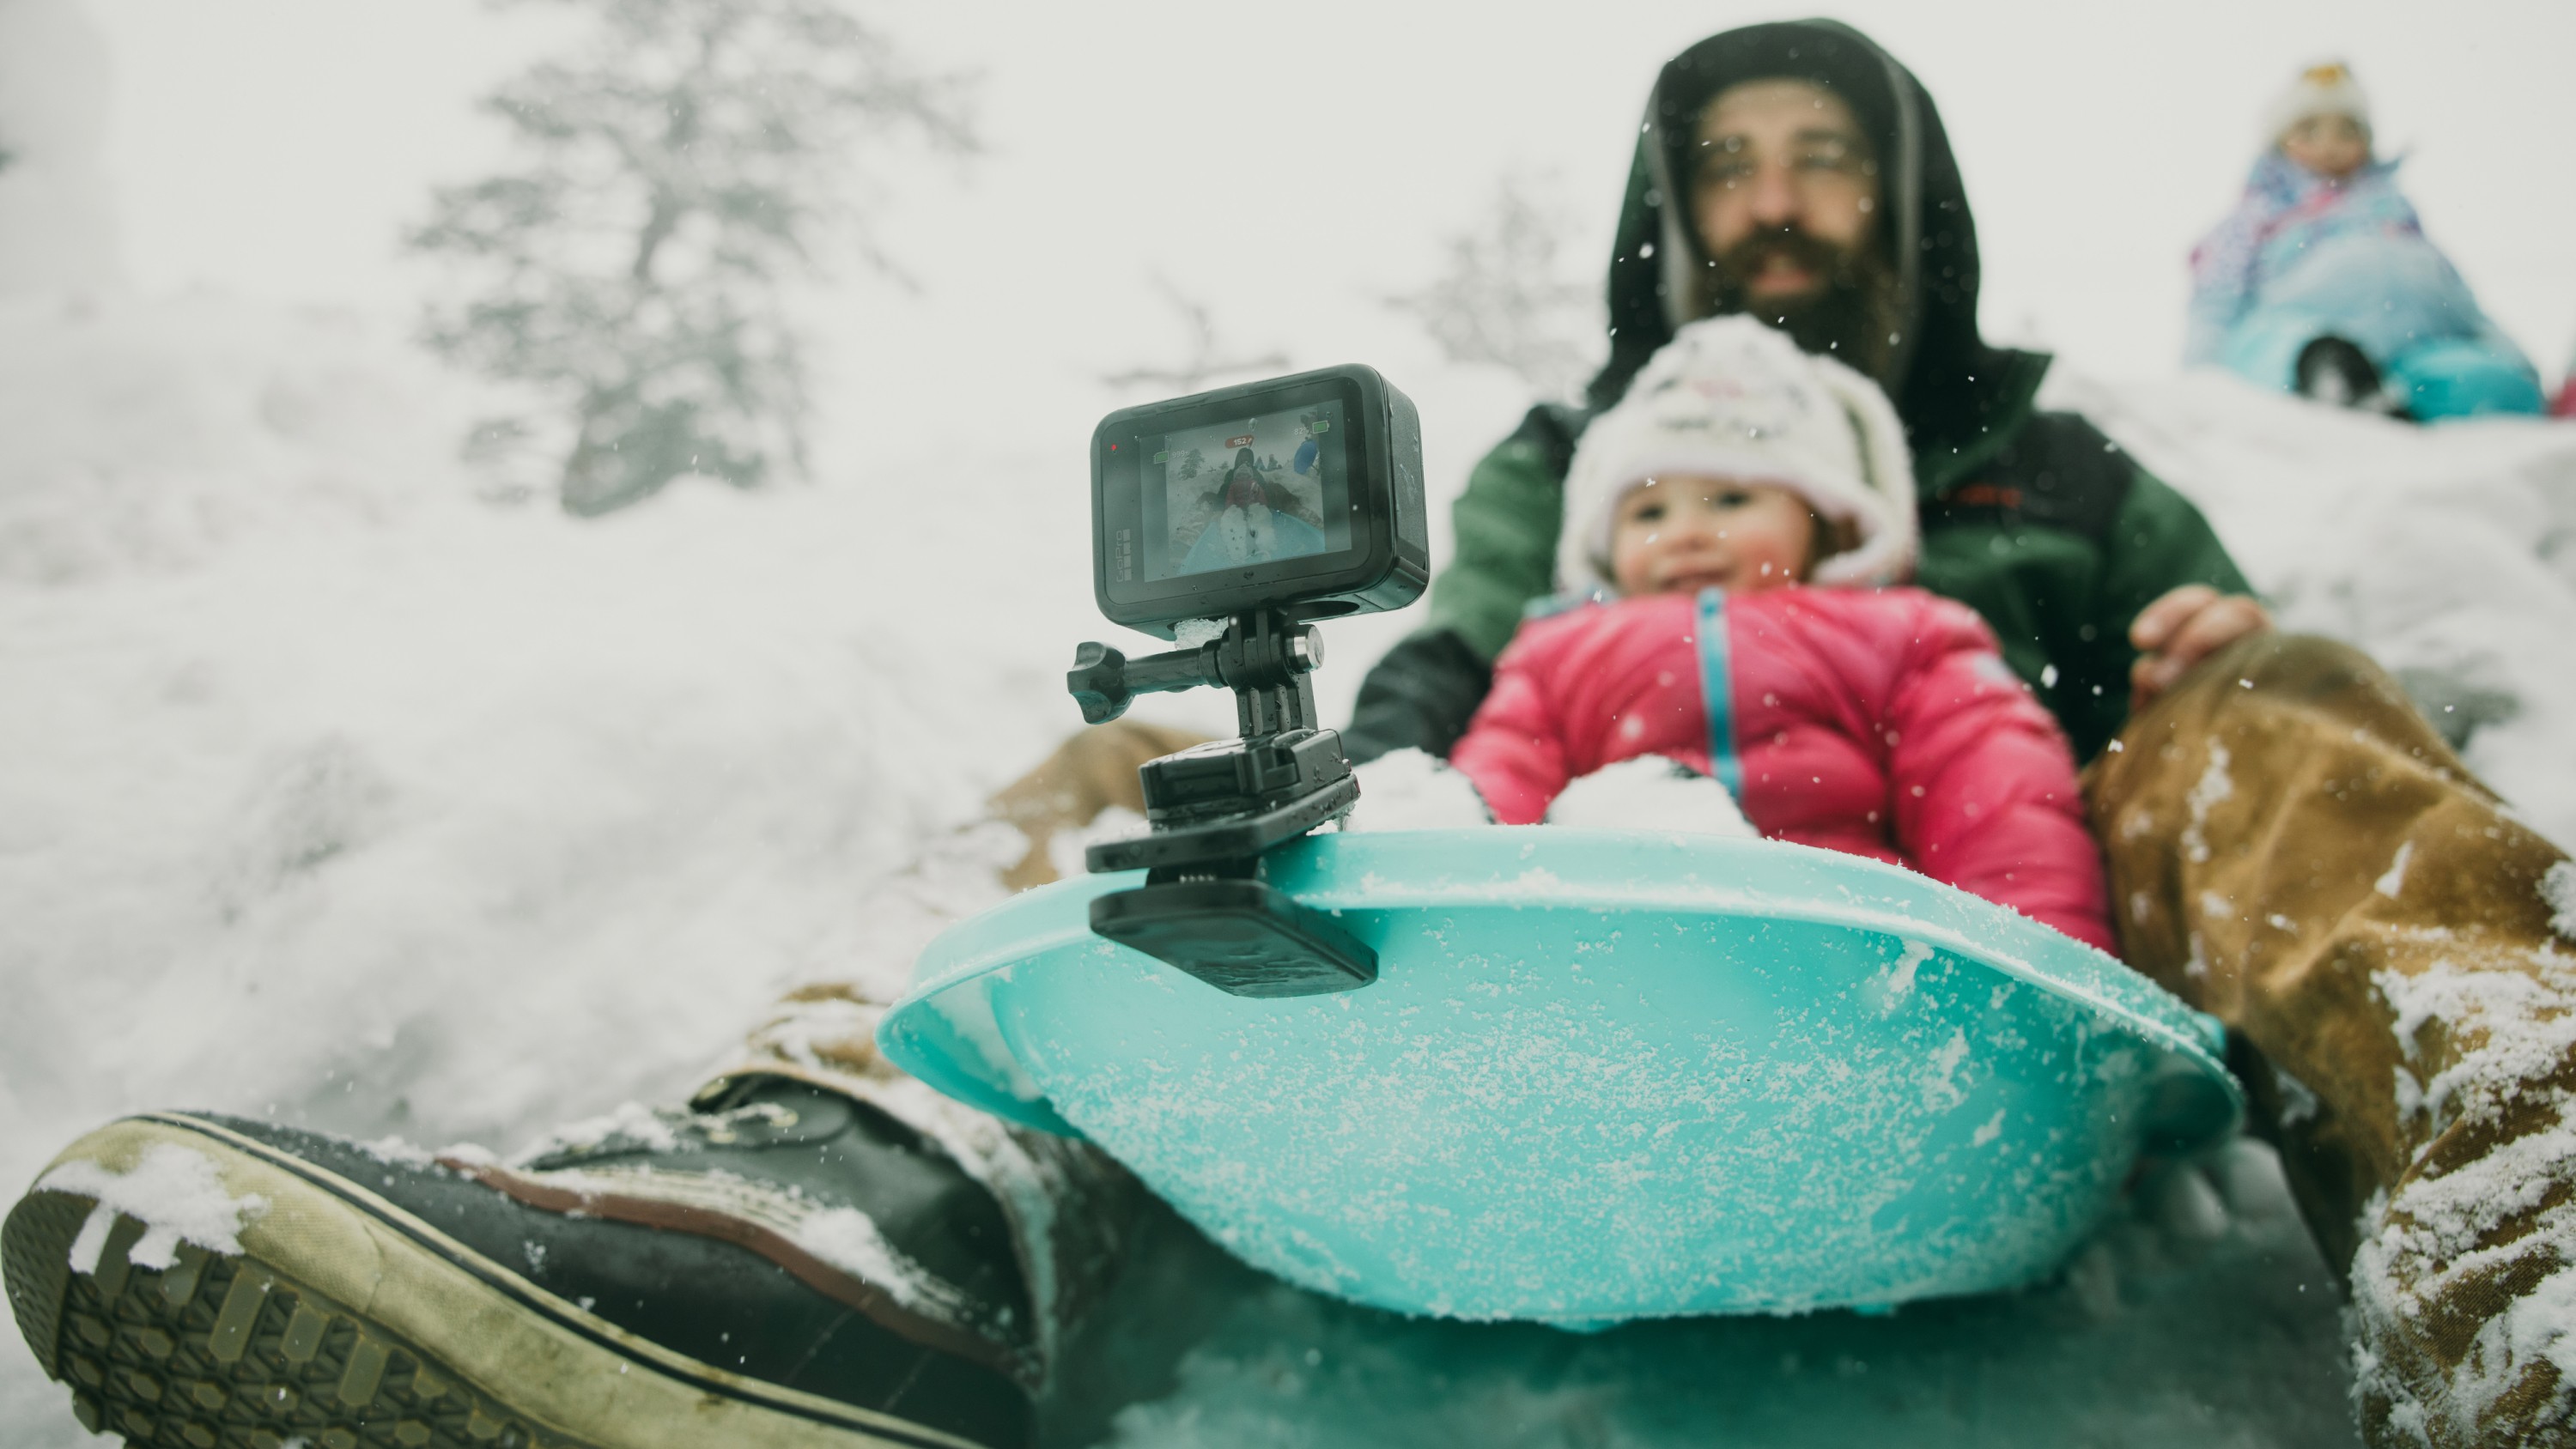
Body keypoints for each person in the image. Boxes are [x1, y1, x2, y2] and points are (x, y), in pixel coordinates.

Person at [9, 21, 2573, 1449]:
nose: (1782, 201)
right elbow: (1434, 674)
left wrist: (2184, 661)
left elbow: (2188, 678)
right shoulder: (1567, 471)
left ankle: (2513, 1177)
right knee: (1174, 806)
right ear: (1664, 218)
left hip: (2012, 895)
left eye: (1830, 162)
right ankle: (850, 1205)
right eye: (1733, 167)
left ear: (1907, 207)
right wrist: (1372, 782)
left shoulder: (2052, 458)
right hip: (1610, 861)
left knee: (2289, 704)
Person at [1444, 315, 2115, 954]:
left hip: (1852, 963)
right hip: (1622, 962)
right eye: (1648, 510)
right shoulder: (1558, 655)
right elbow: (1499, 796)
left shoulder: (1902, 637)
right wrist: (1456, 932)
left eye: (1731, 500)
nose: (1686, 532)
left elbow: (1996, 802)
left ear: (1826, 520)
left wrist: (2039, 962)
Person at [2184, 62, 2544, 421]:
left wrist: (2516, 362)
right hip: (2311, 325)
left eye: (2347, 131)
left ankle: (2405, 405)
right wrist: (2201, 391)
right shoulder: (2258, 215)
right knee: (2266, 342)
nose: (2330, 145)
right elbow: (2215, 302)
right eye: (2310, 131)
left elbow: (2460, 298)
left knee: (2484, 378)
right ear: (2280, 141)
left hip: (2418, 347)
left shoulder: (2395, 211)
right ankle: (2328, 374)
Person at [1175, 447, 1326, 572]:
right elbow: (1225, 489)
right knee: (1206, 498)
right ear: (1237, 459)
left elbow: (1263, 488)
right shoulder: (1231, 473)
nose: (1245, 459)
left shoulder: (1255, 472)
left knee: (1276, 488)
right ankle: (1184, 540)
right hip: (1233, 507)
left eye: (1248, 457)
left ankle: (1308, 519)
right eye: (1242, 456)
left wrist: (1269, 503)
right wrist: (1220, 509)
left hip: (1257, 505)